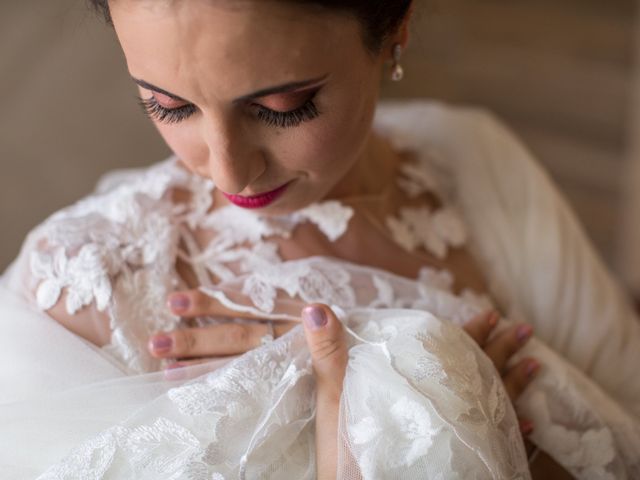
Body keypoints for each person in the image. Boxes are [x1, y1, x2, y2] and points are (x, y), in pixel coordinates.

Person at [1, 0, 639, 478]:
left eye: (282, 107)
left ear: (394, 32)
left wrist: (433, 392)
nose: (228, 171)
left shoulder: (474, 160)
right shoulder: (79, 286)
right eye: (167, 106)